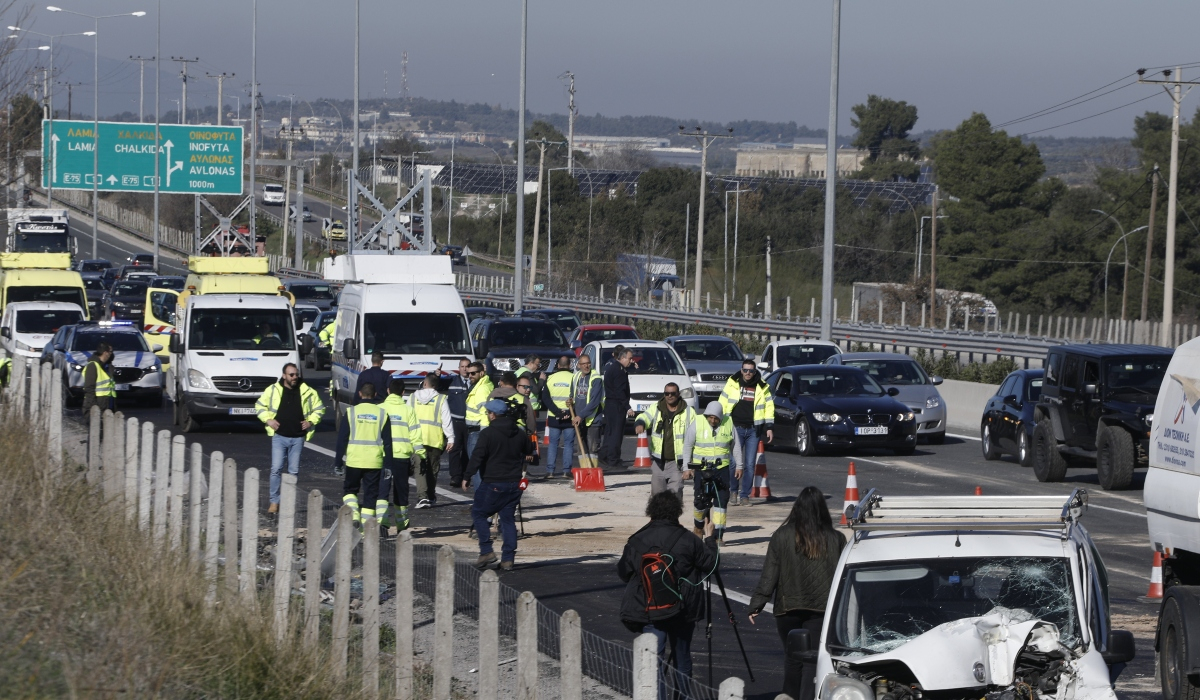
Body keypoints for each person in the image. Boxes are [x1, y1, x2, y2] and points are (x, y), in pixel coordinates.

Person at [748, 486, 846, 700]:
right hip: (821, 609)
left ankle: (789, 696)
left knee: (792, 659)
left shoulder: (781, 536)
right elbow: (842, 579)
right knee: (812, 659)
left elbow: (770, 573)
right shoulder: (836, 538)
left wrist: (758, 603)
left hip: (788, 608)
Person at [618, 492, 718, 692]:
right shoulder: (689, 540)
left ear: (651, 511)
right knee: (682, 658)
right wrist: (709, 540)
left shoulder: (637, 540)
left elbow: (623, 572)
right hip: (682, 607)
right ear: (677, 512)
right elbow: (711, 565)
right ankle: (683, 696)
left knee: (654, 661)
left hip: (650, 607)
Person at [463, 398, 535, 571]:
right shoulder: (518, 432)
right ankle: (508, 559)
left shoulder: (488, 433)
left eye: (488, 412)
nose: (488, 415)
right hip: (514, 484)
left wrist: (467, 476)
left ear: (493, 415)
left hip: (494, 482)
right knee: (508, 519)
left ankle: (486, 550)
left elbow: (477, 456)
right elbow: (528, 450)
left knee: (479, 513)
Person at [255, 363, 326, 514]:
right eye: (291, 375)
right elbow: (259, 406)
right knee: (276, 469)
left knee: (293, 472)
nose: (295, 377)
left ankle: (287, 502)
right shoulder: (273, 390)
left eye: (296, 374)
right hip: (280, 436)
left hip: (298, 438)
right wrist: (268, 420)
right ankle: (274, 502)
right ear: (284, 376)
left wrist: (311, 421)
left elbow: (320, 408)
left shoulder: (307, 390)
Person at [330, 383, 395, 527]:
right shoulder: (382, 414)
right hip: (374, 462)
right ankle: (365, 530)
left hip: (354, 460)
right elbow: (388, 443)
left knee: (350, 491)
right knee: (370, 496)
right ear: (375, 395)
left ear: (360, 394)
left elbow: (342, 440)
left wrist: (338, 462)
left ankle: (354, 513)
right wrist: (389, 465)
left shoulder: (351, 412)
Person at [681, 402, 743, 544]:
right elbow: (687, 446)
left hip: (721, 470)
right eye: (710, 418)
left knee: (721, 502)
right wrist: (686, 468)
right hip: (701, 470)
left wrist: (739, 466)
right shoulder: (697, 422)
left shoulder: (728, 423)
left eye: (716, 418)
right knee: (700, 501)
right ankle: (698, 528)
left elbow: (736, 446)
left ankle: (718, 535)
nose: (713, 421)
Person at [718, 358, 775, 506]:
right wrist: (718, 423)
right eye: (745, 370)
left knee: (749, 465)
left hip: (753, 430)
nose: (748, 373)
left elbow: (769, 407)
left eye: (751, 371)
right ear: (741, 370)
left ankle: (745, 496)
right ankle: (734, 491)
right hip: (734, 427)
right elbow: (722, 403)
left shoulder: (762, 387)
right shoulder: (732, 383)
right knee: (733, 463)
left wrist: (769, 427)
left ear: (755, 371)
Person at [634, 382, 696, 501]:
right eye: (667, 393)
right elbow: (644, 416)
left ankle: (672, 520)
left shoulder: (689, 412)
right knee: (657, 498)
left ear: (678, 394)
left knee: (674, 497)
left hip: (677, 464)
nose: (669, 396)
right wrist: (640, 423)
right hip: (659, 463)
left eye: (673, 393)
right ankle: (657, 519)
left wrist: (690, 466)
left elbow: (696, 437)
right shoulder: (657, 408)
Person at [378, 378, 426, 531]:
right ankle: (402, 524)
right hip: (402, 458)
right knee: (401, 492)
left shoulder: (380, 408)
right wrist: (421, 456)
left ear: (388, 391)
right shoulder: (408, 410)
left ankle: (382, 523)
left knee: (382, 491)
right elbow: (415, 436)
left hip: (383, 457)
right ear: (403, 392)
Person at [409, 372, 454, 509]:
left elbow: (407, 417)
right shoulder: (441, 399)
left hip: (417, 439)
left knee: (420, 468)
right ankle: (430, 495)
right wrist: (451, 438)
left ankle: (423, 497)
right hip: (434, 440)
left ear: (425, 383)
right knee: (432, 470)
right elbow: (446, 420)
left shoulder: (412, 398)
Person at [540, 355, 576, 478]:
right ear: (570, 365)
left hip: (554, 417)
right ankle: (566, 471)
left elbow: (545, 398)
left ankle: (550, 471)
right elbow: (578, 399)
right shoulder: (574, 378)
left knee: (553, 444)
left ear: (558, 365)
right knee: (568, 444)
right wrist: (566, 413)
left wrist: (557, 412)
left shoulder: (550, 378)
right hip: (570, 415)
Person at [600, 347, 634, 468]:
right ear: (623, 357)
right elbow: (620, 391)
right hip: (616, 405)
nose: (631, 361)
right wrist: (627, 407)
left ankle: (604, 455)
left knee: (610, 432)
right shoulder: (619, 370)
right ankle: (613, 459)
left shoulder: (613, 367)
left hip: (611, 404)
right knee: (616, 433)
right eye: (629, 358)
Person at [568, 354, 604, 466]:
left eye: (588, 363)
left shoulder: (596, 378)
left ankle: (592, 472)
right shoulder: (576, 377)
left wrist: (581, 415)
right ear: (579, 365)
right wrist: (571, 401)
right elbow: (573, 394)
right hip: (579, 419)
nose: (586, 366)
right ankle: (585, 473)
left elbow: (594, 402)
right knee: (581, 450)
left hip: (592, 420)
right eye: (583, 364)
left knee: (593, 450)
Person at [445, 358, 472, 491]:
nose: (465, 369)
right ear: (459, 368)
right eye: (462, 366)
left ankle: (465, 475)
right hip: (456, 421)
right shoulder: (452, 381)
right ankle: (455, 476)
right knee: (455, 449)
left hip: (469, 422)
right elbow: (437, 384)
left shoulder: (475, 382)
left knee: (468, 450)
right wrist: (437, 376)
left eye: (467, 366)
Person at [81, 342, 116, 413]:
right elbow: (89, 388)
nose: (111, 354)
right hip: (97, 405)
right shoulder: (93, 365)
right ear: (105, 352)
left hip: (108, 405)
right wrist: (93, 407)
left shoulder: (107, 367)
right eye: (110, 352)